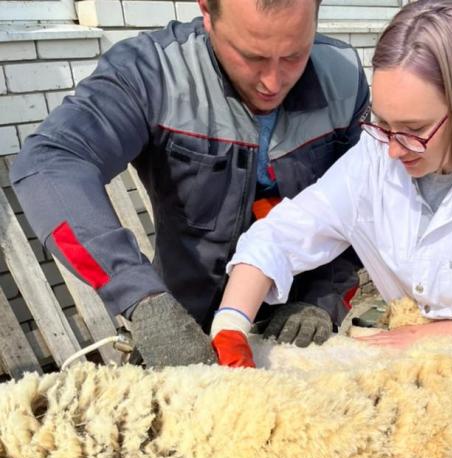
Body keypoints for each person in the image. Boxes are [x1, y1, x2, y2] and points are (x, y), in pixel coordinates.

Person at [208, 0, 452, 458]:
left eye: (413, 130)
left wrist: (425, 336)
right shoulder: (376, 158)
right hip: (428, 396)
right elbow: (284, 233)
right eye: (382, 122)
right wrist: (232, 321)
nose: (391, 147)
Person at [10, 0, 369, 367]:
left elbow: (361, 204)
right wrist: (144, 302)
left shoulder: (341, 77)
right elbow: (49, 165)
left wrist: (322, 300)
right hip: (179, 331)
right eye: (252, 57)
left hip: (296, 336)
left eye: (294, 55)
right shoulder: (151, 75)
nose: (272, 83)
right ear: (208, 14)